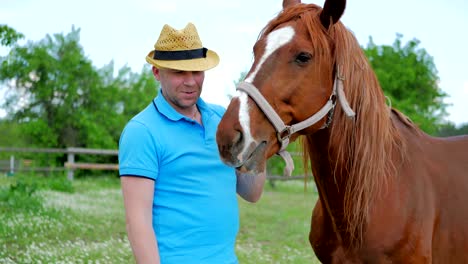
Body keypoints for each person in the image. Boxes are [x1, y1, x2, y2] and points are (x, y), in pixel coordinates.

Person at [119, 22, 266, 264]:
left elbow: (251, 192)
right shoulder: (142, 131)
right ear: (157, 72)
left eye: (196, 72)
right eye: (179, 73)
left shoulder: (222, 119)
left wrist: (260, 143)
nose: (190, 82)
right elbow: (138, 222)